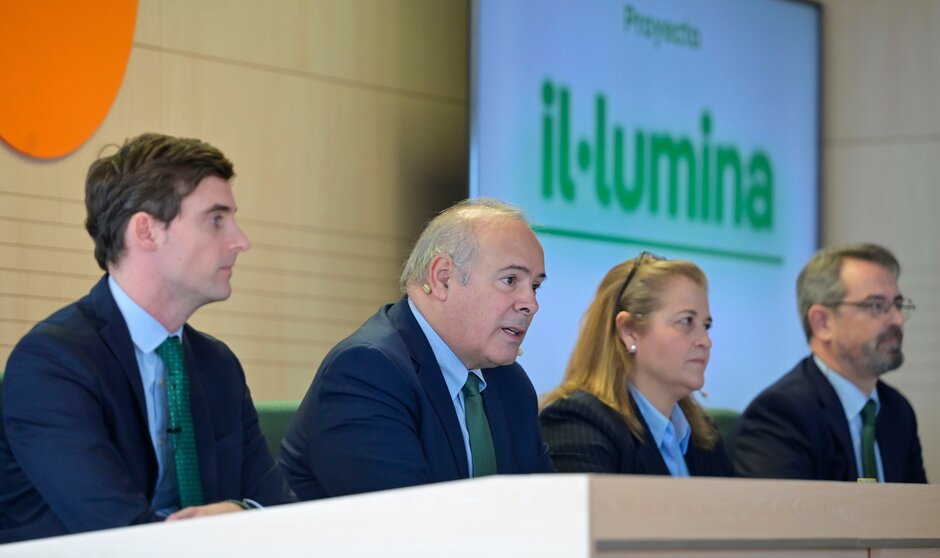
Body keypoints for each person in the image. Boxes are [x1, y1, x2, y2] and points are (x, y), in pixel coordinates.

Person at [0, 133, 296, 543]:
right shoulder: (52, 364)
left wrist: (243, 513)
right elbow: (119, 538)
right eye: (216, 219)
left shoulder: (217, 365)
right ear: (146, 231)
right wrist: (238, 525)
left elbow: (279, 510)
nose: (240, 241)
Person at [280, 198, 554, 499]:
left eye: (535, 286)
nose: (531, 303)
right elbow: (406, 527)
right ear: (443, 278)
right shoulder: (367, 372)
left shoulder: (509, 383)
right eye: (510, 280)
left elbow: (548, 511)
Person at [733, 243, 927, 482]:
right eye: (877, 306)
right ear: (822, 323)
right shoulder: (781, 415)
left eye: (897, 305)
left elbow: (919, 513)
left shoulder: (896, 410)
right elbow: (786, 517)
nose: (897, 319)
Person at [540, 253, 733, 477]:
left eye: (706, 326)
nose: (705, 341)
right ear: (629, 331)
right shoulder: (578, 422)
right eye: (686, 321)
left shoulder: (704, 435)